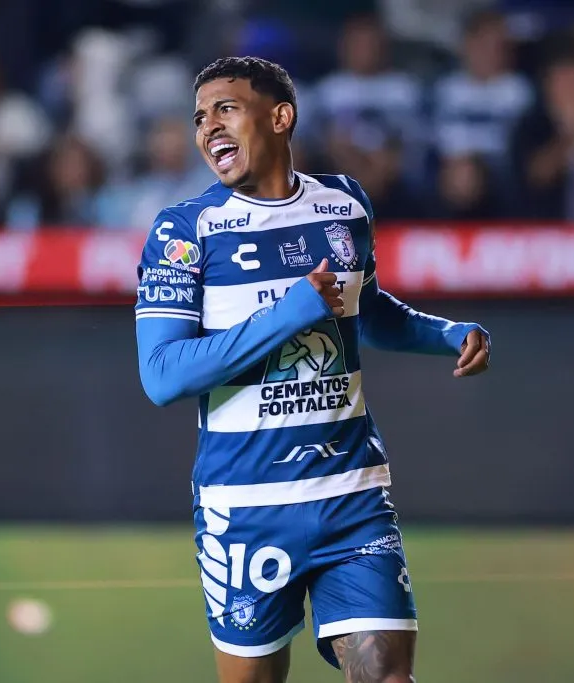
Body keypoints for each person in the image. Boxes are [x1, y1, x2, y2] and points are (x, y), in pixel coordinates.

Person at [134, 56, 491, 683]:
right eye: (199, 117)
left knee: (386, 677)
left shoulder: (344, 204)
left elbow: (366, 312)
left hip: (351, 492)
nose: (208, 127)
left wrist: (447, 334)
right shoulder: (184, 231)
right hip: (245, 507)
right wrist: (288, 314)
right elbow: (161, 375)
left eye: (225, 109)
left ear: (280, 117)